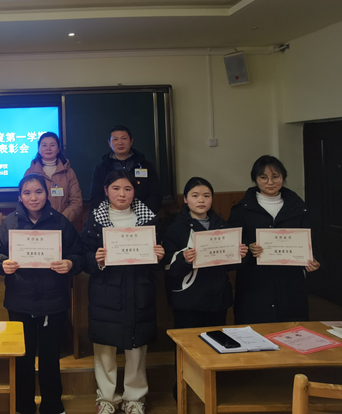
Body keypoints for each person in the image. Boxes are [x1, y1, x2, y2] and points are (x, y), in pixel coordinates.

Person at [0, 174, 82, 414]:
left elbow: (78, 255)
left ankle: (52, 405)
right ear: (20, 197)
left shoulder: (60, 222)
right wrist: (3, 264)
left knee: (50, 357)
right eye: (27, 193)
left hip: (54, 302)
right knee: (22, 358)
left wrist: (70, 264)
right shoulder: (10, 223)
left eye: (39, 192)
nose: (33, 197)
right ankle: (24, 406)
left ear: (47, 193)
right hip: (19, 301)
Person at [80, 170, 164, 414]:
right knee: (104, 347)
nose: (122, 194)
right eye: (116, 188)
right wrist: (94, 259)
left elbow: (159, 257)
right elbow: (82, 256)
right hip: (106, 291)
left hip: (139, 290)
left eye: (128, 189)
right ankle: (106, 398)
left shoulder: (149, 218)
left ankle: (135, 398)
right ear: (106, 191)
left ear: (134, 192)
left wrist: (159, 255)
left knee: (137, 347)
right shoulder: (94, 219)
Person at [229, 156, 320, 325]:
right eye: (263, 177)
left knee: (292, 332)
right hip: (254, 284)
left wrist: (312, 259)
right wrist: (249, 247)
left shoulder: (299, 208)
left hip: (289, 284)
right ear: (255, 179)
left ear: (283, 177)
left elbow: (312, 240)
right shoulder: (241, 209)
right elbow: (232, 245)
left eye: (275, 176)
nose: (270, 182)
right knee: (253, 332)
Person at [163, 177, 248, 330]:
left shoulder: (222, 225)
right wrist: (184, 259)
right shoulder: (175, 229)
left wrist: (239, 255)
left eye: (206, 195)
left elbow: (229, 266)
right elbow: (168, 266)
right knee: (189, 342)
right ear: (185, 199)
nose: (201, 200)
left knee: (216, 341)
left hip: (218, 299)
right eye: (195, 195)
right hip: (188, 301)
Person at [89, 125, 163, 214]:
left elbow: (155, 195)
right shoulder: (100, 169)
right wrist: (110, 214)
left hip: (142, 215)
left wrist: (142, 214)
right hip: (109, 215)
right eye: (115, 139)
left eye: (124, 138)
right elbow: (96, 196)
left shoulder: (146, 166)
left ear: (131, 141)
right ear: (109, 143)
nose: (120, 143)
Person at [24, 131, 83, 223]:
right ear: (39, 149)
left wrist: (61, 220)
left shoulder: (68, 172)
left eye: (52, 145)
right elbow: (24, 199)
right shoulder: (30, 172)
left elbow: (76, 201)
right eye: (44, 145)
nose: (48, 148)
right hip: (37, 225)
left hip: (63, 225)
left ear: (58, 149)